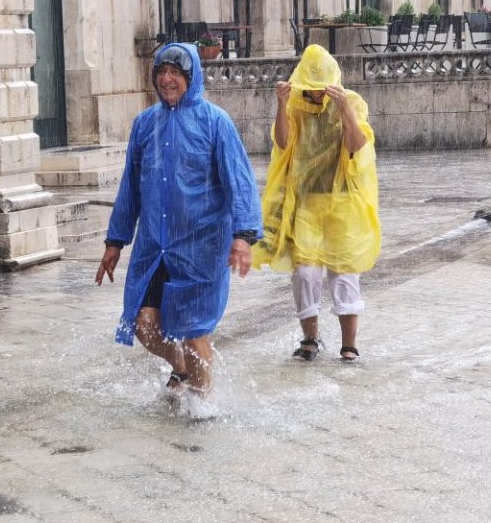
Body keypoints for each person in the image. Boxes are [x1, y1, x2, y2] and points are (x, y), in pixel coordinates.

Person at [95, 42, 262, 416]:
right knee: (144, 323)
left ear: (191, 77)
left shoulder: (215, 122)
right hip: (155, 245)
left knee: (194, 330)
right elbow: (130, 187)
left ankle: (203, 408)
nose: (167, 79)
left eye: (176, 73)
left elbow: (240, 182)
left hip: (201, 246)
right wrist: (115, 241)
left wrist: (243, 236)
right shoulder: (145, 124)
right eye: (161, 72)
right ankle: (183, 371)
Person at [253, 44, 381, 362]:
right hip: (307, 202)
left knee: (344, 273)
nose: (316, 96)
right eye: (310, 90)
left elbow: (358, 147)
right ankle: (310, 338)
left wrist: (345, 111)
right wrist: (281, 104)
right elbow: (282, 144)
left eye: (321, 89)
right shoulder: (295, 106)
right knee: (305, 274)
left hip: (343, 203)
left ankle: (349, 345)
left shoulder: (350, 103)